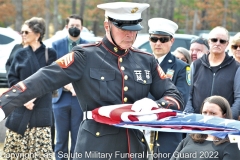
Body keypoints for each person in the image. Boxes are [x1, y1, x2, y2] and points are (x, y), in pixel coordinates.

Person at [0, 2, 184, 160]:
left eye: (134, 30)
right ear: (107, 26)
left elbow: (174, 96)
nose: (130, 35)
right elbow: (43, 79)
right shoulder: (85, 55)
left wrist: (156, 105)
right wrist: (4, 105)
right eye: (123, 29)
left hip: (134, 146)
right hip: (96, 145)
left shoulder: (146, 60)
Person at [2, 17, 57, 159]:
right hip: (20, 107)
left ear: (38, 34)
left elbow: (50, 80)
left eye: (26, 32)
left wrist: (32, 97)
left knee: (40, 155)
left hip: (41, 109)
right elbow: (12, 78)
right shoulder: (20, 53)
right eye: (22, 32)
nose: (23, 35)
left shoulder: (50, 54)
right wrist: (24, 99)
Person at [147, 18, 190, 160]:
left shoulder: (182, 68)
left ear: (172, 41)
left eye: (163, 39)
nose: (158, 43)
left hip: (167, 131)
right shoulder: (140, 64)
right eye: (154, 38)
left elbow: (181, 98)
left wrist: (152, 107)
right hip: (139, 129)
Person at [51, 14, 88, 160]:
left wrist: (76, 86)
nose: (74, 28)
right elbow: (52, 71)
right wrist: (67, 84)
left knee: (77, 137)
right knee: (60, 138)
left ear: (82, 28)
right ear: (66, 27)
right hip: (60, 98)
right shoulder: (56, 46)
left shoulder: (87, 47)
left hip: (79, 98)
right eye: (72, 25)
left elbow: (88, 71)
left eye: (77, 26)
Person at [184, 26, 240, 120]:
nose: (217, 43)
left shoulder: (236, 67)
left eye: (222, 41)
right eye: (214, 40)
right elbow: (187, 93)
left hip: (223, 127)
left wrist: (229, 119)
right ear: (209, 42)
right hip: (196, 123)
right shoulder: (195, 65)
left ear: (227, 44)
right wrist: (190, 116)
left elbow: (239, 98)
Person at [171, 95, 240, 160]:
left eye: (213, 113)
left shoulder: (231, 145)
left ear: (224, 116)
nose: (207, 117)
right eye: (204, 112)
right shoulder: (190, 138)